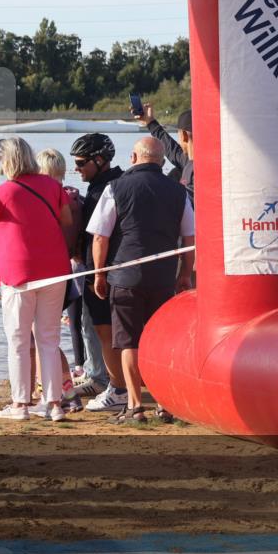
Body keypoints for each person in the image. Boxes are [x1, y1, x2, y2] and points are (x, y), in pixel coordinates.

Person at [0, 137, 73, 422]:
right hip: (54, 269)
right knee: (48, 338)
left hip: (18, 273)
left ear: (8, 161)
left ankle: (20, 404)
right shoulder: (53, 186)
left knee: (19, 340)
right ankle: (55, 404)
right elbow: (67, 221)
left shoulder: (0, 193)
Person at [87, 136, 195, 424]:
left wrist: (99, 273)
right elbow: (189, 237)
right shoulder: (178, 191)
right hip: (163, 277)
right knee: (159, 340)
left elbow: (100, 236)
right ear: (161, 161)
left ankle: (135, 406)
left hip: (125, 277)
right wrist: (185, 274)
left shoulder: (115, 188)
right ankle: (164, 403)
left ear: (134, 158)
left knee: (129, 342)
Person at [69, 133, 129, 412]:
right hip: (120, 270)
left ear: (99, 160)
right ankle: (113, 381)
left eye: (81, 162)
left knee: (105, 332)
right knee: (121, 332)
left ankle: (114, 386)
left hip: (102, 273)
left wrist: (97, 276)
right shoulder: (119, 182)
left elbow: (97, 236)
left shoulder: (102, 190)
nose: (77, 168)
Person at [34, 148, 83, 415]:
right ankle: (62, 391)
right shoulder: (73, 197)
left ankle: (59, 393)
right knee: (46, 337)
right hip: (66, 272)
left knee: (43, 338)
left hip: (51, 273)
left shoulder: (53, 200)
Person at [134, 104, 194, 202]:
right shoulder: (189, 160)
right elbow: (171, 148)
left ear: (183, 135)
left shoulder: (193, 168)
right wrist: (150, 122)